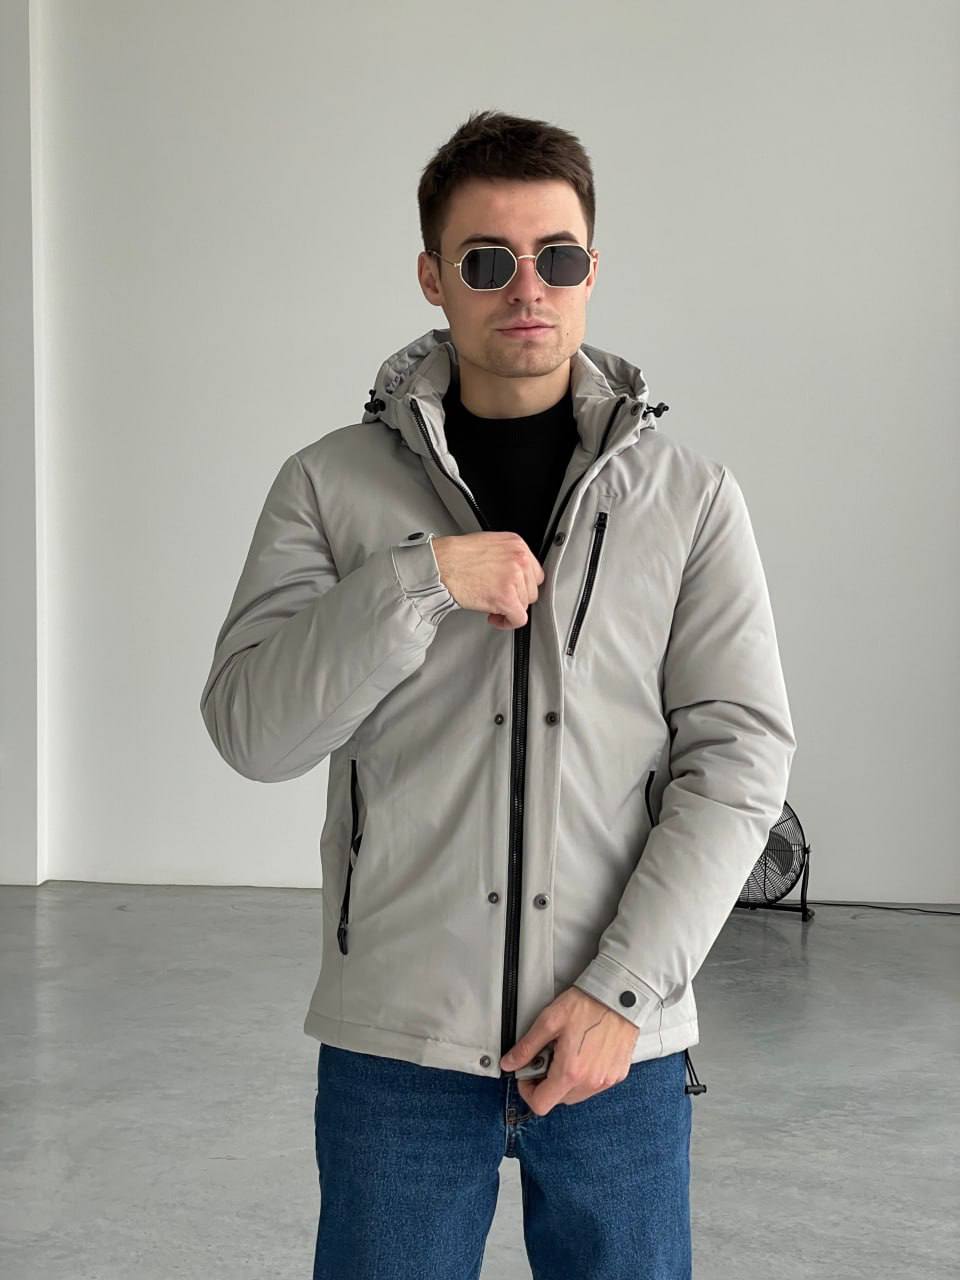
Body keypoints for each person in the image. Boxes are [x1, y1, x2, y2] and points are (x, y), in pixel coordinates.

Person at [199, 109, 796, 1280]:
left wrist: (623, 992)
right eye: (487, 260)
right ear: (433, 277)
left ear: (591, 269)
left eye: (556, 256)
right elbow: (253, 731)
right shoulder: (326, 486)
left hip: (617, 1042)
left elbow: (738, 761)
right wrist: (414, 581)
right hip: (399, 1050)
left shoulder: (690, 499)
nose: (528, 287)